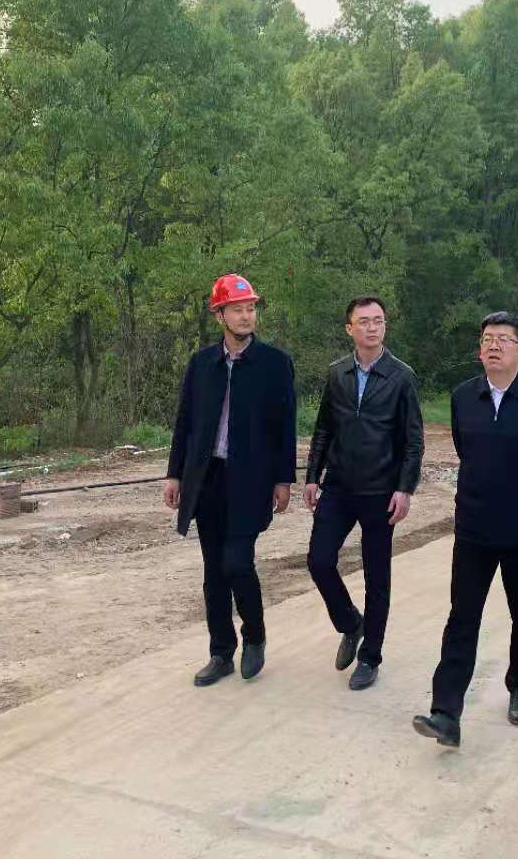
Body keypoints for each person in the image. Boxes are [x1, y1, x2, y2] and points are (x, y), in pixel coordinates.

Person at [412, 311, 518, 748]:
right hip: (474, 528)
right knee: (462, 617)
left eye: (503, 339)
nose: (494, 345)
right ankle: (446, 711)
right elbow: (466, 449)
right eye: (487, 339)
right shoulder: (464, 397)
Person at [163, 274, 296, 687]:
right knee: (213, 572)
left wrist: (283, 479)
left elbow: (285, 426)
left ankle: (254, 635)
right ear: (219, 315)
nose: (246, 316)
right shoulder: (202, 363)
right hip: (207, 479)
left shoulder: (274, 363)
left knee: (237, 561)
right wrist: (174, 474)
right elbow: (185, 422)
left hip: (251, 481)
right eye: (237, 309)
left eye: (250, 308)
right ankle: (220, 652)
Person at [304, 296, 424, 691]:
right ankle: (350, 623)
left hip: (380, 491)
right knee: (319, 560)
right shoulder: (337, 373)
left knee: (377, 577)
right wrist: (312, 476)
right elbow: (323, 429)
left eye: (378, 320)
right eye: (364, 321)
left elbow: (413, 441)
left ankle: (370, 656)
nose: (372, 327)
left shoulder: (401, 376)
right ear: (349, 328)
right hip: (338, 486)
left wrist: (404, 488)